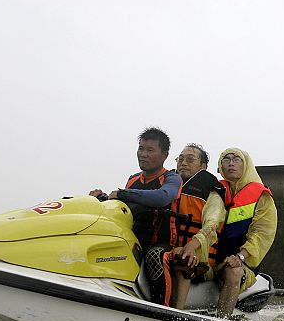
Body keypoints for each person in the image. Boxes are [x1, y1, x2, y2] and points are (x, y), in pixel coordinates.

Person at [89, 127, 182, 303]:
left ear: (164, 155)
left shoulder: (172, 178)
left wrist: (123, 194)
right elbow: (124, 206)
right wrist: (101, 200)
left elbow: (162, 197)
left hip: (163, 245)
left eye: (150, 150)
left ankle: (163, 311)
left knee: (155, 255)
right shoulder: (133, 179)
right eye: (141, 148)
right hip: (133, 241)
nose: (143, 154)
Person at [213, 148, 277, 318]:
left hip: (240, 261)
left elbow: (262, 233)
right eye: (226, 159)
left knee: (233, 271)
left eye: (236, 159)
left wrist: (240, 257)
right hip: (210, 256)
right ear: (220, 165)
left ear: (246, 165)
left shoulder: (261, 196)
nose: (231, 163)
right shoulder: (214, 190)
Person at [166, 144, 226, 309]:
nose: (183, 163)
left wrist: (192, 245)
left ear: (203, 166)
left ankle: (177, 312)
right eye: (181, 159)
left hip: (200, 257)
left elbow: (212, 225)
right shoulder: (166, 184)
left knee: (182, 254)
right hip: (165, 246)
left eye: (190, 159)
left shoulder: (212, 192)